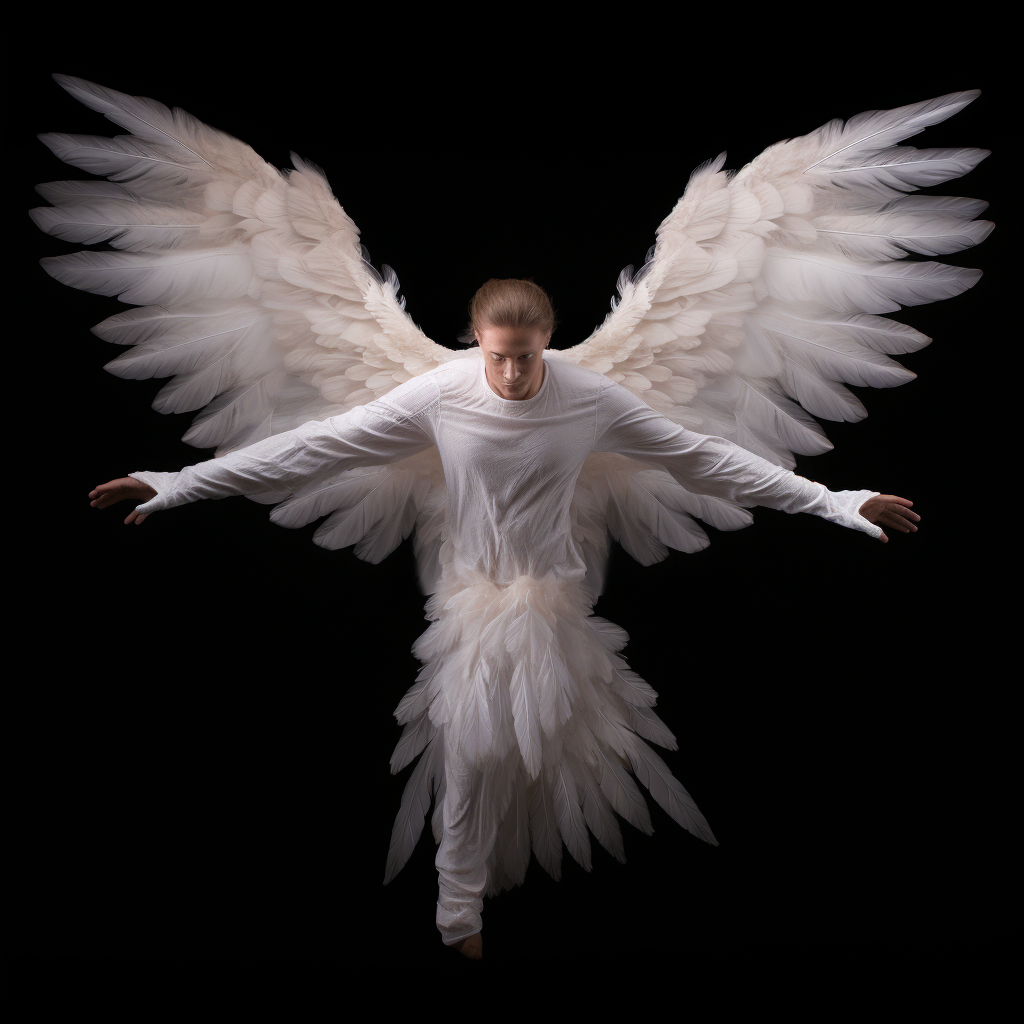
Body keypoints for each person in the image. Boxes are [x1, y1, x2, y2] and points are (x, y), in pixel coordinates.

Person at [87, 278, 919, 958]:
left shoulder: (590, 398)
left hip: (553, 594)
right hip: (474, 596)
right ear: (474, 343)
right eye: (497, 357)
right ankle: (459, 920)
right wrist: (174, 484)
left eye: (525, 359)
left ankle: (475, 907)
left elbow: (705, 459)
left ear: (546, 345)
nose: (513, 375)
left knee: (515, 749)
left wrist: (840, 503)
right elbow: (318, 445)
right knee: (471, 750)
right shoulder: (441, 392)